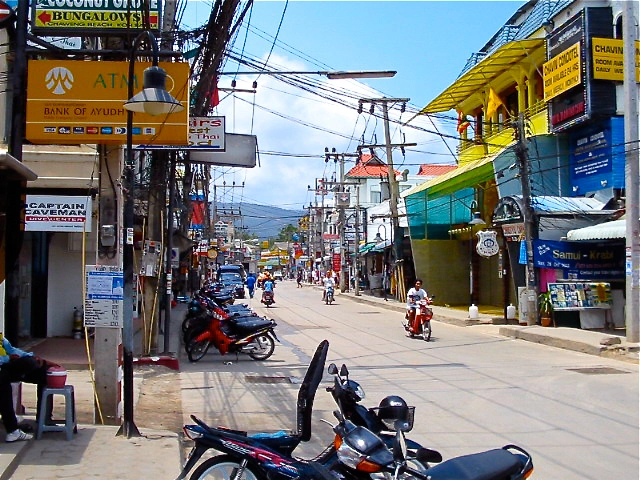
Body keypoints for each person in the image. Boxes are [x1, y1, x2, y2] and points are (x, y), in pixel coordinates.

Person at [0, 333, 54, 442]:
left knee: (41, 371)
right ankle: (13, 430)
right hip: (3, 368)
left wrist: (30, 356)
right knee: (3, 379)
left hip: (6, 366)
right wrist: (7, 358)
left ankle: (44, 419)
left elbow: (12, 349)